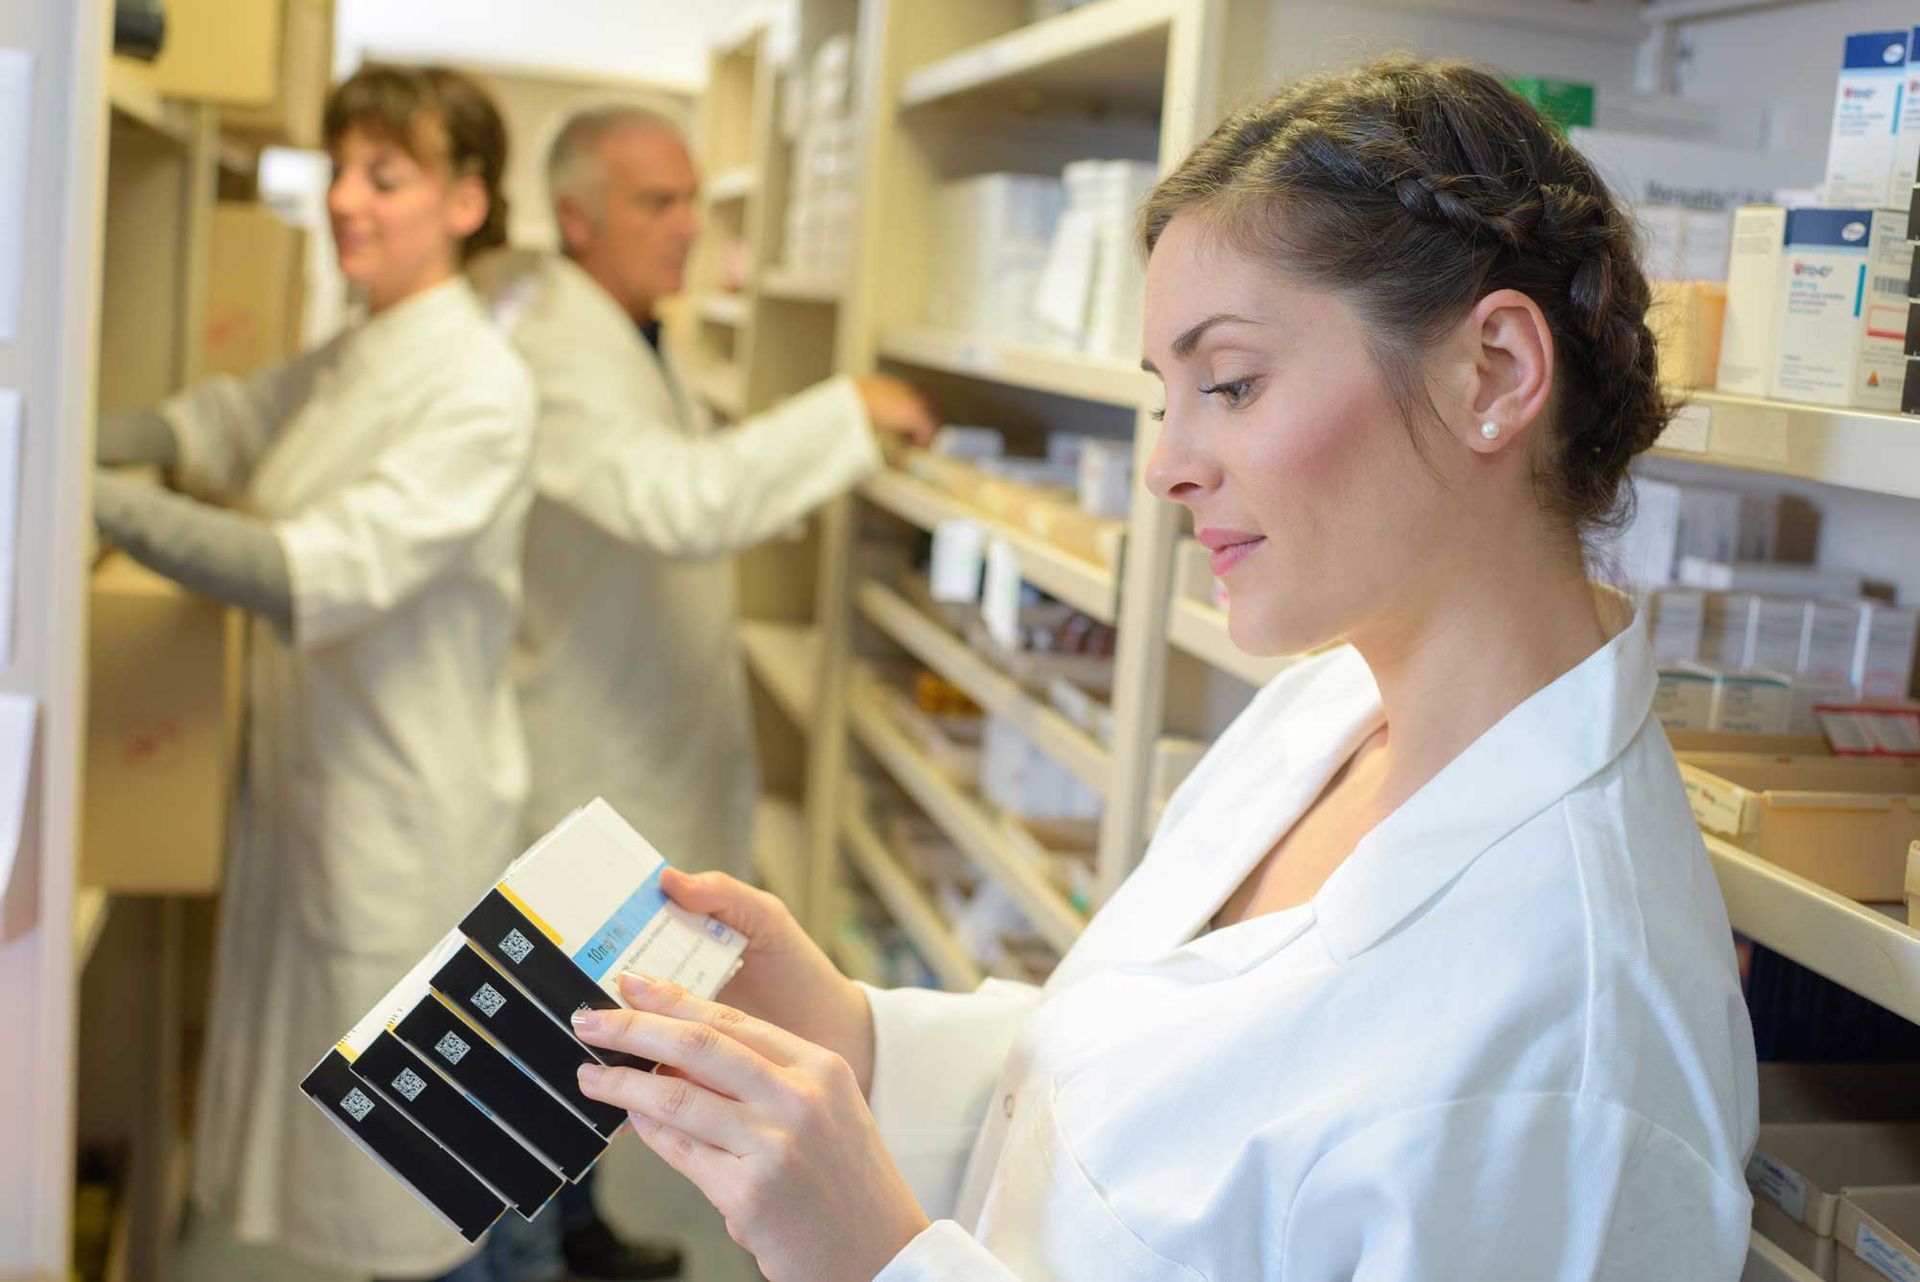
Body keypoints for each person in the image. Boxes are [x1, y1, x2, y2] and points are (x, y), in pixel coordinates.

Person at [565, 57, 1761, 1281]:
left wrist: (880, 1258)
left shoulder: (1574, 1060)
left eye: (1231, 383)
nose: (1169, 467)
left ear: (1493, 373)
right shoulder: (1333, 708)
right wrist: (852, 1035)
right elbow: (1146, 1091)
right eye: (1164, 400)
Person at [467, 106, 935, 1282]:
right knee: (539, 1036)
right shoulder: (556, 353)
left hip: (633, 723)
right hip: (580, 734)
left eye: (691, 201)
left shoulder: (625, 330)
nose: (687, 228)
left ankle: (579, 1236)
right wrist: (845, 413)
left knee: (587, 1024)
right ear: (577, 217)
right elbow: (680, 501)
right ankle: (520, 1259)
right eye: (654, 204)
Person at [93, 66, 534, 1282]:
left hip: (400, 819)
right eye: (341, 170)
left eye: (385, 177)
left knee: (423, 1202)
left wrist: (75, 498)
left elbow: (301, 572)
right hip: (324, 803)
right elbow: (225, 422)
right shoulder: (362, 347)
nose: (347, 199)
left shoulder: (479, 389)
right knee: (376, 1181)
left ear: (465, 202)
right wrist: (66, 426)